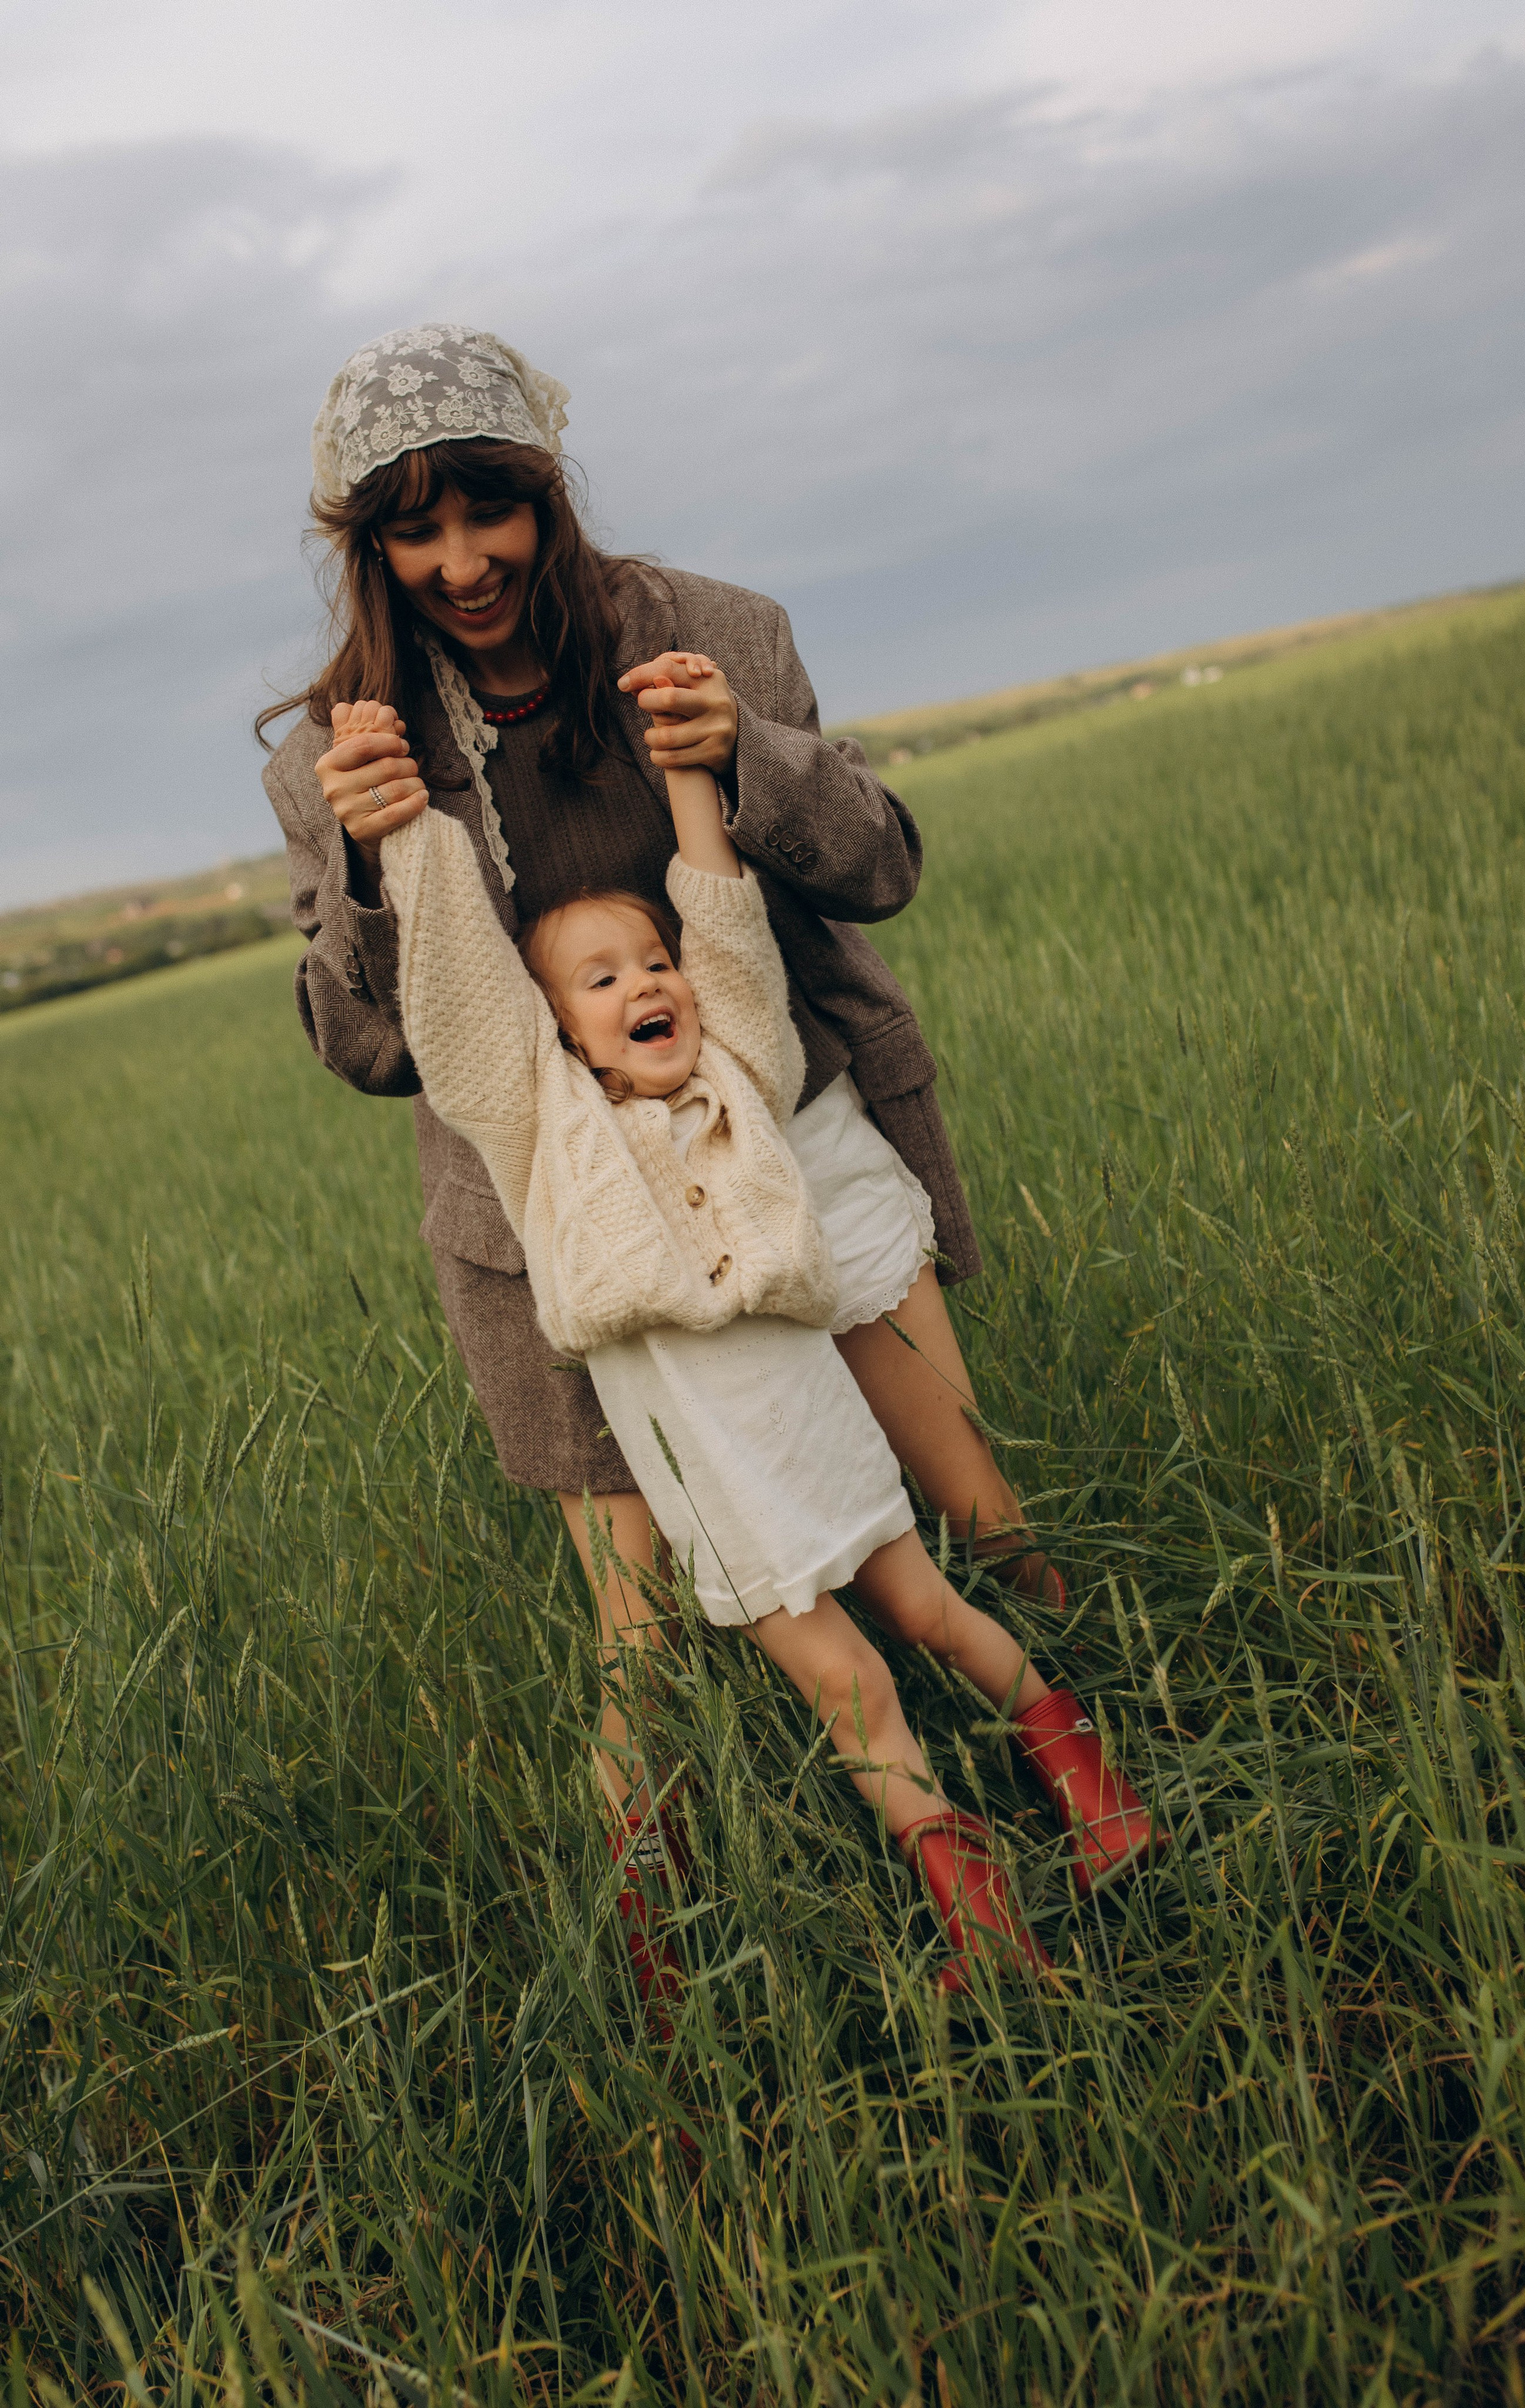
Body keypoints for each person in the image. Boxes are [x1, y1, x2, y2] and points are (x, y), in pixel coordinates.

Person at [258, 324, 1158, 1982]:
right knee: (644, 1629)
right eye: (411, 529)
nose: (460, 562)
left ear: (548, 495)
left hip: (790, 1134)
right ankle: (659, 1953)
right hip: (573, 1228)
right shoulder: (342, 740)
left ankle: (1128, 1772)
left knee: (969, 1507)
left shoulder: (716, 635)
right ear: (367, 548)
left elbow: (879, 867)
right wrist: (379, 872)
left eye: (490, 511)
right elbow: (375, 1047)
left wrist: (746, 753)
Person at [372, 670, 1159, 1990]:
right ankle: (971, 1900)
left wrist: (692, 774)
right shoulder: (545, 1138)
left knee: (930, 1610)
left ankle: (1085, 1773)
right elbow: (460, 1002)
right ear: (555, 1031)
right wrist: (406, 825)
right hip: (724, 1497)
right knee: (847, 1684)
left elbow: (728, 931)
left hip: (815, 1433)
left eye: (653, 964)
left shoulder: (743, 1074)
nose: (646, 984)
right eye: (602, 979)